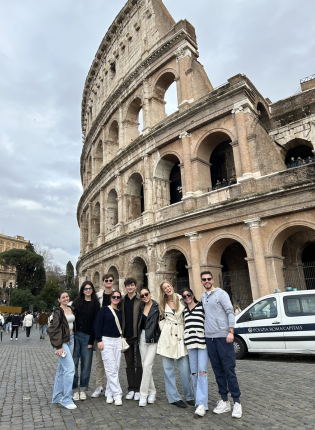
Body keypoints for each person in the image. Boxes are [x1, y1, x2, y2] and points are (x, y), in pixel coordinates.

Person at [200, 271, 242, 419]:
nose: (206, 281)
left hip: (223, 337)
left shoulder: (221, 294)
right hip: (210, 338)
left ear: (212, 280)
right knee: (218, 371)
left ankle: (237, 402)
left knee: (229, 369)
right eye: (204, 279)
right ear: (202, 281)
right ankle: (225, 401)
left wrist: (231, 331)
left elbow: (230, 311)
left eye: (209, 279)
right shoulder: (203, 297)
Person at [157, 281, 194, 408]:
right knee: (168, 370)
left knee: (185, 370)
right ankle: (174, 398)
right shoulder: (161, 304)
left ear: (172, 287)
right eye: (165, 288)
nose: (168, 288)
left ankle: (189, 396)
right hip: (167, 338)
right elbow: (160, 320)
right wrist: (165, 330)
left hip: (181, 336)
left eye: (169, 286)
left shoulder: (181, 299)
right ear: (162, 291)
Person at [72, 281, 100, 401]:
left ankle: (83, 388)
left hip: (88, 337)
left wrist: (91, 340)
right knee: (74, 363)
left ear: (92, 290)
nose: (87, 290)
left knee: (86, 364)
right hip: (75, 336)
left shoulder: (95, 304)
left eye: (89, 288)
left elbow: (96, 323)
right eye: (85, 289)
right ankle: (74, 389)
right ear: (82, 290)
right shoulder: (76, 302)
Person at [94, 290, 123, 406]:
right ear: (110, 298)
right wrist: (99, 340)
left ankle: (109, 392)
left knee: (115, 367)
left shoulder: (120, 312)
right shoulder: (104, 310)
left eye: (118, 297)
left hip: (117, 340)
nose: (116, 298)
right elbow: (97, 325)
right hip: (106, 340)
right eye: (114, 297)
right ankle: (117, 393)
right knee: (110, 367)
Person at [182, 288, 208, 417]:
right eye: (185, 296)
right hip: (190, 344)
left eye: (189, 295)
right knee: (194, 373)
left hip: (202, 343)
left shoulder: (201, 307)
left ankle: (202, 403)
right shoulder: (184, 311)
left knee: (202, 372)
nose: (187, 297)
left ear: (193, 295)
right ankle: (201, 402)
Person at [49, 291, 76, 410]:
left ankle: (56, 397)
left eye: (67, 297)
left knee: (61, 369)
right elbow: (53, 329)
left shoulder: (70, 308)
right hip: (62, 342)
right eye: (63, 297)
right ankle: (66, 399)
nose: (65, 298)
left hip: (71, 339)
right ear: (59, 299)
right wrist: (58, 346)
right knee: (70, 369)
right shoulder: (58, 311)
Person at [92, 273, 117, 398]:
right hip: (101, 334)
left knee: (114, 362)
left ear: (113, 281)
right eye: (106, 280)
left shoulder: (118, 295)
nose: (108, 282)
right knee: (100, 362)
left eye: (110, 280)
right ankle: (99, 385)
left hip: (113, 334)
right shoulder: (97, 296)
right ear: (103, 282)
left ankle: (111, 386)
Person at [137, 287, 160, 407]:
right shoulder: (141, 308)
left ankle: (143, 394)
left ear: (150, 294)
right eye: (142, 295)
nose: (145, 296)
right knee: (146, 367)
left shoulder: (157, 307)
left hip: (153, 339)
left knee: (146, 365)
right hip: (142, 337)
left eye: (146, 294)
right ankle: (152, 392)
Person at [120, 277, 142, 401]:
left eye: (132, 285)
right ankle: (131, 388)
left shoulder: (140, 299)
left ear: (135, 286)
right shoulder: (122, 300)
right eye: (128, 285)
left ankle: (138, 389)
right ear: (125, 287)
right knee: (129, 364)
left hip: (137, 335)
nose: (130, 287)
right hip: (126, 335)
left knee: (139, 363)